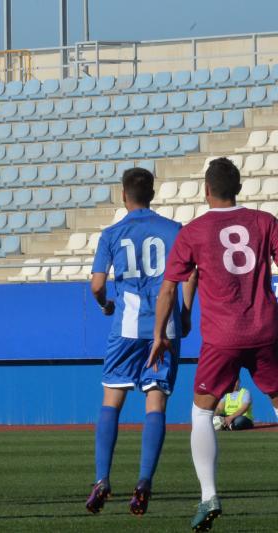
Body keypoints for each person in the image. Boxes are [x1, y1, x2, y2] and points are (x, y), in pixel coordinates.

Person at [150, 157, 278, 532]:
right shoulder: (265, 222)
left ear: (206, 191)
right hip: (266, 329)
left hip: (221, 336)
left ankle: (209, 496)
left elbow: (169, 287)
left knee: (202, 412)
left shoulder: (194, 231)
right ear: (239, 187)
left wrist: (160, 335)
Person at [87, 167, 196, 516]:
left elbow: (97, 286)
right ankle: (144, 482)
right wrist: (185, 312)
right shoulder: (174, 230)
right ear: (153, 193)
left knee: (112, 400)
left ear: (123, 195)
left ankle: (102, 480)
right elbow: (192, 272)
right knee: (156, 402)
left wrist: (106, 306)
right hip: (165, 328)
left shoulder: (112, 234)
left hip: (127, 326)